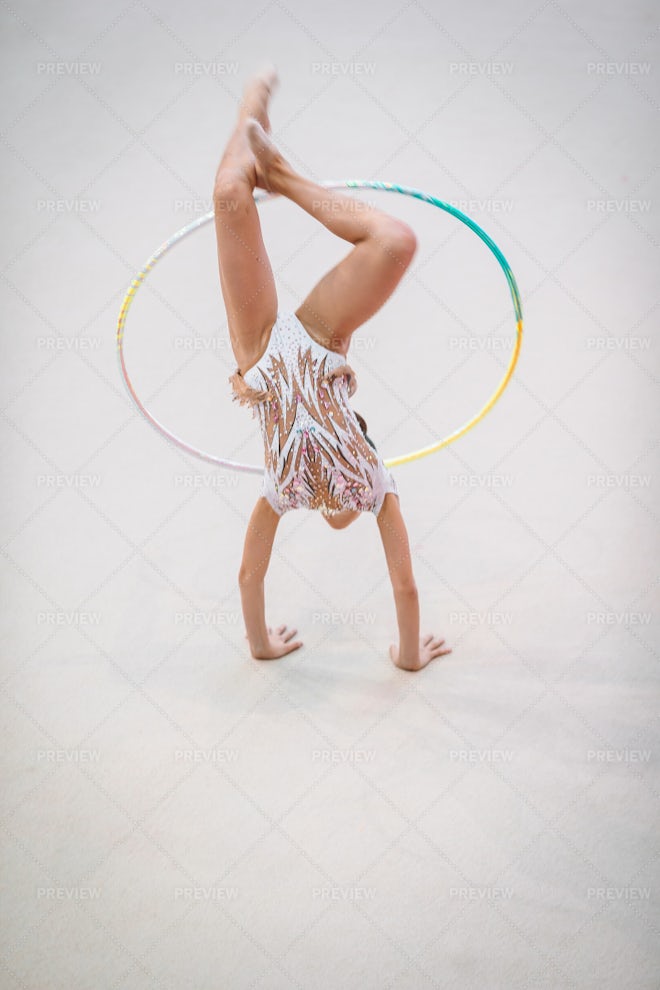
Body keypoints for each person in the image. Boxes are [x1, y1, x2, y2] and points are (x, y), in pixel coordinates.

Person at [213, 65, 451, 672]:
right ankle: (284, 173)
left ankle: (252, 107)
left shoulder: (284, 491)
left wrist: (263, 643)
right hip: (320, 341)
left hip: (262, 351)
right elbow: (405, 589)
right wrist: (407, 657)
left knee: (229, 197)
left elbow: (249, 575)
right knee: (395, 242)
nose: (337, 514)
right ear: (362, 434)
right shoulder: (374, 481)